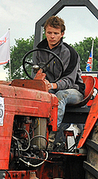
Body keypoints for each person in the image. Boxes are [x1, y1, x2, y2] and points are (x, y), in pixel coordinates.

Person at [32, 15, 86, 149]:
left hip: (73, 90)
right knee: (35, 96)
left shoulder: (69, 52)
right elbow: (36, 71)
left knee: (60, 96)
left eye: (55, 33)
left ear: (62, 34)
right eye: (49, 33)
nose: (52, 36)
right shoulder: (40, 50)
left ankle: (50, 137)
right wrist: (39, 79)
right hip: (50, 88)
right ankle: (32, 134)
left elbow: (69, 80)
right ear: (45, 32)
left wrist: (52, 85)